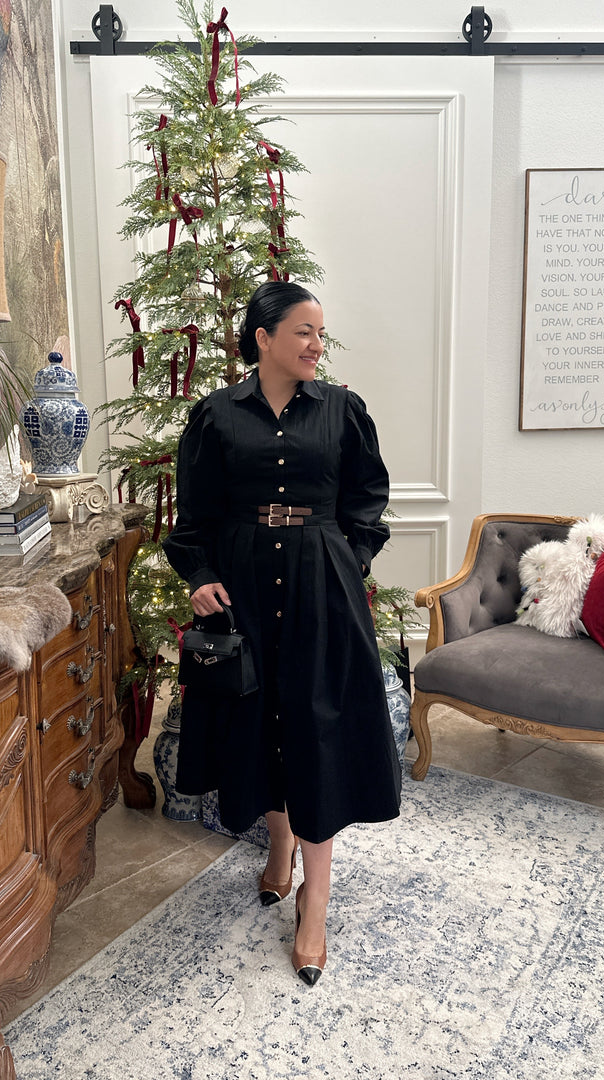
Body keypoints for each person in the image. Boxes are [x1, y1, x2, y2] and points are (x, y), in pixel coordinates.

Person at [163, 280, 401, 985]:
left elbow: (368, 499)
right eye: (304, 331)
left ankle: (315, 901)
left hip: (321, 589)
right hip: (240, 586)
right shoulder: (215, 417)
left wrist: (347, 560)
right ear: (263, 338)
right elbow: (195, 514)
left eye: (320, 333)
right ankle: (279, 847)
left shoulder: (342, 411)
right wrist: (199, 575)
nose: (316, 344)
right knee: (258, 719)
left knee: (316, 728)